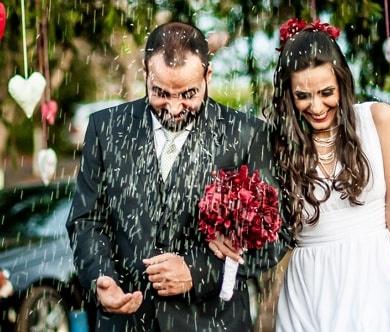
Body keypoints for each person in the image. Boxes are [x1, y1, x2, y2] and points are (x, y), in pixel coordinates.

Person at [211, 18, 390, 331]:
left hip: (377, 277)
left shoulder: (379, 120)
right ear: (288, 96)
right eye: (303, 96)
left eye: (326, 92)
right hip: (310, 284)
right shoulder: (276, 144)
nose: (317, 106)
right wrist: (227, 229)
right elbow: (260, 214)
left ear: (343, 83)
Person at [66, 21, 285, 332]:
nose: (173, 107)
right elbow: (86, 220)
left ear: (208, 75)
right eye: (160, 92)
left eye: (188, 94)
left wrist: (197, 271)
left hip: (212, 322)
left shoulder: (246, 135)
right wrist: (101, 277)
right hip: (126, 322)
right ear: (145, 73)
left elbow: (277, 234)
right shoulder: (106, 129)